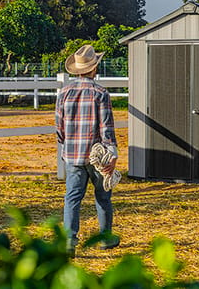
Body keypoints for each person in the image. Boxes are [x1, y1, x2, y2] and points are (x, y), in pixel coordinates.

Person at [56, 44, 120, 256]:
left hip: (73, 155)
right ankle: (104, 239)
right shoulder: (100, 93)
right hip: (96, 157)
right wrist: (112, 154)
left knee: (72, 197)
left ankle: (69, 241)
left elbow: (59, 127)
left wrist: (68, 144)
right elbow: (106, 127)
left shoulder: (64, 92)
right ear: (93, 69)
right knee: (102, 197)